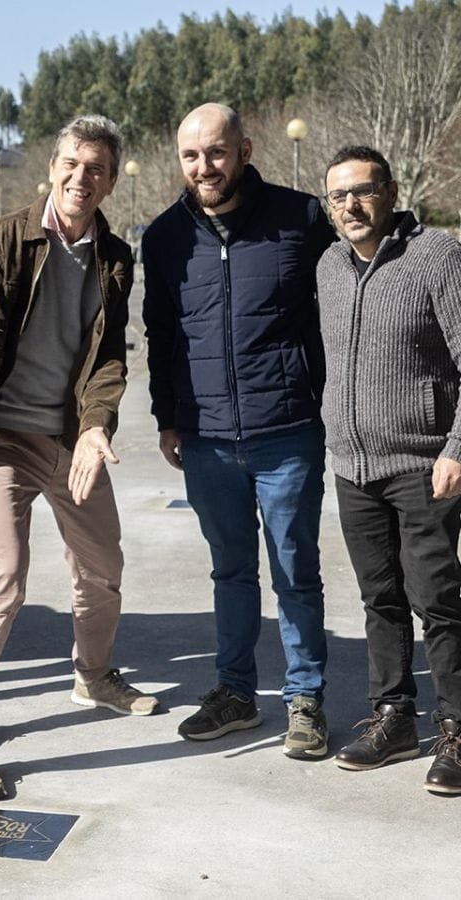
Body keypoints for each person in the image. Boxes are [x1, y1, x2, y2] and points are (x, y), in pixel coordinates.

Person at [0, 116, 157, 801]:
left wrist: (95, 427)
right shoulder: (3, 241)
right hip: (2, 439)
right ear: (52, 168)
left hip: (67, 439)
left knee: (103, 565)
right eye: (71, 164)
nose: (81, 178)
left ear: (110, 181)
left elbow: (108, 357)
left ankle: (93, 675)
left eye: (96, 169)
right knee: (2, 574)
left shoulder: (114, 255)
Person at [142, 103, 336, 758]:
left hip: (288, 430)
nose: (204, 166)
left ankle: (305, 700)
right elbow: (162, 334)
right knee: (230, 572)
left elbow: (340, 306)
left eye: (217, 152)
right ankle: (235, 693)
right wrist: (167, 417)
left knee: (295, 571)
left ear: (245, 151)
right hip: (206, 438)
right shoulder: (164, 236)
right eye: (191, 155)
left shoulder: (301, 217)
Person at [317, 145, 461, 794]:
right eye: (338, 196)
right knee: (380, 599)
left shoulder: (436, 257)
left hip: (424, 465)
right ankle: (394, 717)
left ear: (391, 191)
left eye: (364, 190)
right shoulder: (328, 266)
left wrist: (456, 449)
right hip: (353, 467)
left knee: (439, 600)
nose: (351, 204)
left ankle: (456, 730)